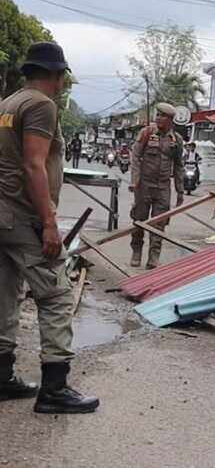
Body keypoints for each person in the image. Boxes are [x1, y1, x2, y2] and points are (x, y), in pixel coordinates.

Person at [0, 41, 99, 413]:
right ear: (58, 76)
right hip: (23, 216)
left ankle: (2, 377)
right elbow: (34, 165)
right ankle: (55, 389)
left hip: (3, 217)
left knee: (5, 294)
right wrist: (49, 223)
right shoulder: (41, 105)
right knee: (56, 295)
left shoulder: (8, 104)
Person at [129, 102, 185, 269]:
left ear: (170, 120)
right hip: (144, 185)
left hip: (163, 187)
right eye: (157, 114)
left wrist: (180, 191)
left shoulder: (176, 140)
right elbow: (135, 158)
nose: (158, 118)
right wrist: (134, 180)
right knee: (139, 220)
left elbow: (179, 166)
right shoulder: (146, 133)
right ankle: (136, 252)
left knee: (159, 224)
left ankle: (153, 257)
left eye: (162, 116)